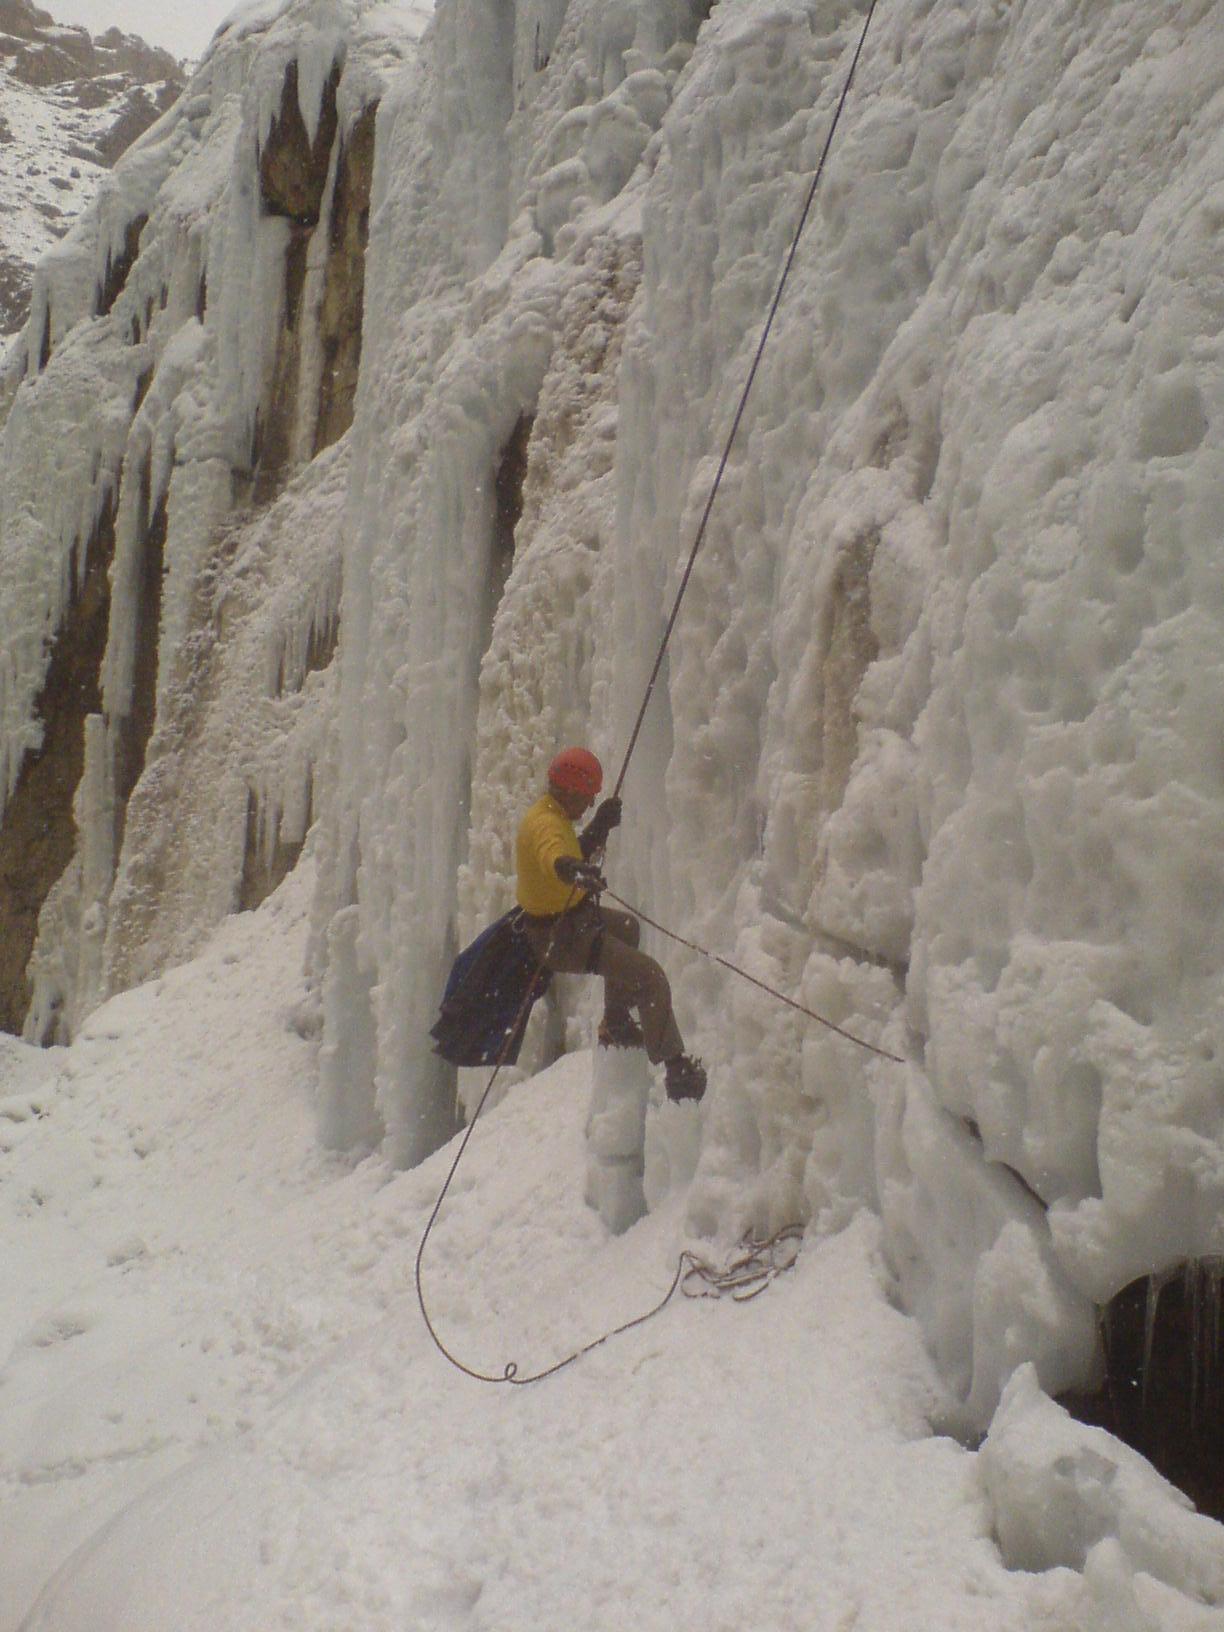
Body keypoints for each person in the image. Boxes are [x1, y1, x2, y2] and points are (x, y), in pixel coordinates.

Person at [515, 746, 707, 1102]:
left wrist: (598, 827)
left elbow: (568, 851)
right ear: (570, 791)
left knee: (627, 928)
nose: (589, 805)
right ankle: (675, 1065)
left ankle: (617, 1023)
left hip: (569, 920)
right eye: (587, 798)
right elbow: (554, 856)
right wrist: (574, 871)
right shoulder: (545, 825)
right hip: (563, 937)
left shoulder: (551, 814)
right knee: (650, 977)